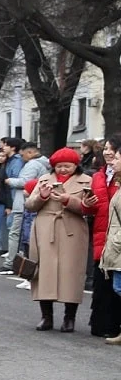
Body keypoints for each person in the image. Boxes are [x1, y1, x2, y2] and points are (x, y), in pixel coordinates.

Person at [26, 147, 96, 332]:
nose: (63, 170)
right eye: (59, 166)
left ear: (76, 165)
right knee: (45, 272)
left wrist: (67, 200)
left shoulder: (87, 181)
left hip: (72, 228)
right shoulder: (44, 179)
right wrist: (42, 196)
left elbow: (89, 208)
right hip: (46, 227)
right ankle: (46, 316)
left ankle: (69, 317)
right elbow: (30, 205)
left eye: (67, 166)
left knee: (71, 273)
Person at [88, 137, 121, 339]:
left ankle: (114, 324)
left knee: (116, 285)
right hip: (102, 233)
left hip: (115, 236)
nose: (107, 153)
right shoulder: (100, 176)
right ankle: (102, 323)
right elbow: (94, 207)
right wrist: (86, 203)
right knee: (104, 283)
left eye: (112, 150)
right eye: (106, 149)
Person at [0, 137, 25, 272]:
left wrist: (8, 181)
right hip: (11, 196)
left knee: (14, 229)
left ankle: (13, 261)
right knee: (10, 227)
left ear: (12, 147)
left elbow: (15, 178)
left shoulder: (16, 161)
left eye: (5, 145)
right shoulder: (10, 161)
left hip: (14, 196)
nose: (3, 147)